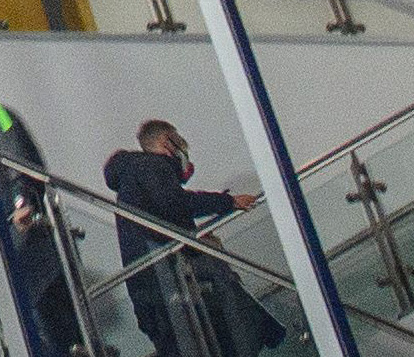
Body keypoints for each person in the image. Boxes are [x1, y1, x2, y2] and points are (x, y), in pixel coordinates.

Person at [96, 123, 284, 356]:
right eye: (179, 140)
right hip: (170, 292)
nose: (183, 148)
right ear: (167, 142)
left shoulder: (133, 179)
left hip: (155, 297)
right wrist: (228, 202)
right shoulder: (151, 167)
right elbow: (176, 203)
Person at [0, 84, 87, 357]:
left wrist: (23, 203)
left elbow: (16, 159)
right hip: (25, 224)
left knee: (42, 312)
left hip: (27, 227)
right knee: (50, 314)